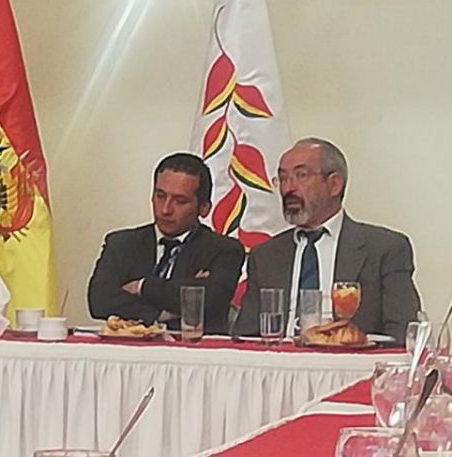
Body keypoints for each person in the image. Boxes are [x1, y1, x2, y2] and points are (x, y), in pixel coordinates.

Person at [233, 138, 420, 342]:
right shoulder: (265, 256)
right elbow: (246, 336)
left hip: (351, 359)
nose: (288, 188)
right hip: (279, 359)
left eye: (301, 176)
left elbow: (402, 333)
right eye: (283, 178)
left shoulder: (384, 250)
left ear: (334, 184)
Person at [87, 153, 245, 334]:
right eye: (160, 196)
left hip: (195, 349)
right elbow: (100, 300)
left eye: (180, 201)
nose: (165, 209)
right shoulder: (122, 244)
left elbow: (210, 300)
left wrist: (143, 286)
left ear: (204, 208)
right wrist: (162, 313)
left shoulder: (224, 250)